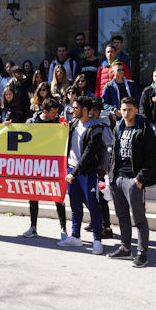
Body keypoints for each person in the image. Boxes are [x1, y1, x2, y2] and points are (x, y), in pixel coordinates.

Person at [107, 97, 156, 268]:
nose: (126, 113)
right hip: (118, 178)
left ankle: (142, 253)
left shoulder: (144, 129)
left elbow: (152, 159)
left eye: (129, 109)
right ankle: (125, 248)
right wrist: (111, 176)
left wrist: (139, 180)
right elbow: (114, 154)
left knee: (139, 219)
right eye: (123, 109)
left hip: (134, 180)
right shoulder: (118, 127)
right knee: (122, 215)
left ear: (136, 110)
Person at [21, 98, 70, 243]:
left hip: (53, 164)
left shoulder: (58, 122)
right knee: (33, 195)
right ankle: (33, 227)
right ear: (44, 112)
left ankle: (63, 228)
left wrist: (64, 126)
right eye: (53, 112)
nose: (56, 114)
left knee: (57, 196)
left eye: (57, 112)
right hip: (35, 164)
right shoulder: (31, 122)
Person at [61, 97, 104, 255]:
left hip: (87, 173)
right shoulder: (72, 125)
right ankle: (75, 236)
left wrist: (74, 172)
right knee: (75, 205)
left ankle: (97, 240)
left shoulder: (96, 128)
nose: (72, 111)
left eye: (76, 108)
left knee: (93, 205)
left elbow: (89, 154)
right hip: (71, 171)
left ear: (85, 110)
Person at [85, 98, 114, 239]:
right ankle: (94, 221)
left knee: (102, 199)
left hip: (100, 168)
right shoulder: (86, 124)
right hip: (89, 167)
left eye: (95, 110)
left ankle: (106, 226)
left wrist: (105, 168)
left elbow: (109, 148)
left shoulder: (103, 127)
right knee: (91, 198)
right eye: (91, 109)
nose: (92, 112)